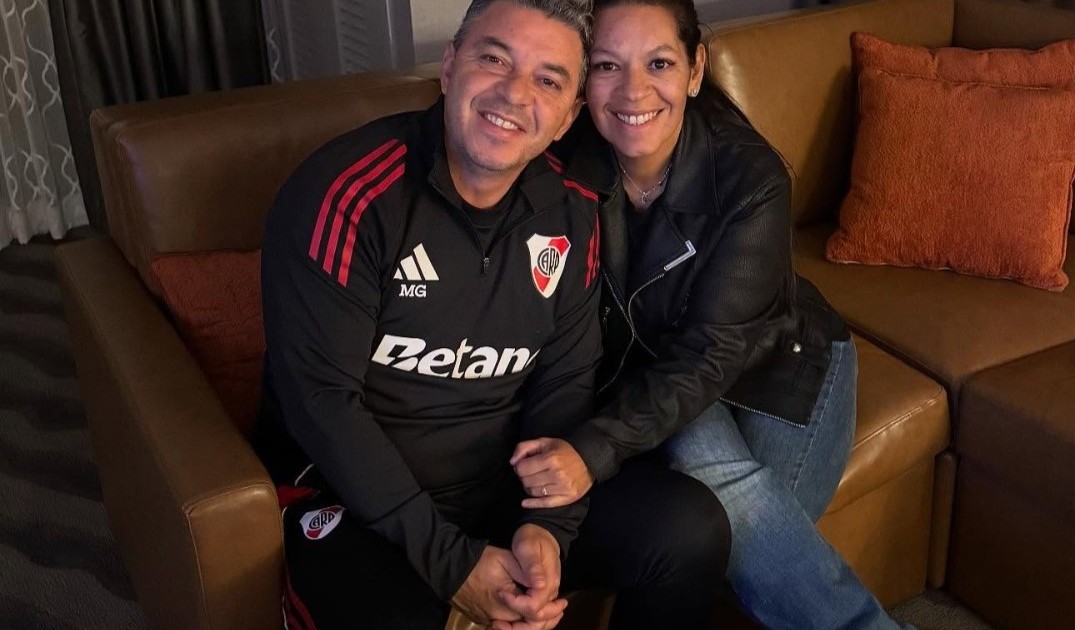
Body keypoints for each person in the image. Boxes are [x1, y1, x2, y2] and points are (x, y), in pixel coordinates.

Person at [254, 1, 730, 628]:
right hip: (353, 498)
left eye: (548, 80)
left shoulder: (573, 211)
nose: (514, 94)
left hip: (497, 485)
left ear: (567, 117)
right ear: (450, 67)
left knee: (690, 529)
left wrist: (547, 527)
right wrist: (451, 564)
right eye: (494, 59)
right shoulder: (347, 194)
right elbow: (322, 404)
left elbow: (563, 385)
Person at [512, 1, 907, 628]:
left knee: (733, 528)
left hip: (777, 363)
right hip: (663, 369)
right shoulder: (564, 158)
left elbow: (709, 356)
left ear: (695, 69)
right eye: (608, 65)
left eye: (659, 63)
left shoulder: (750, 178)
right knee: (716, 518)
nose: (633, 91)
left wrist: (591, 450)